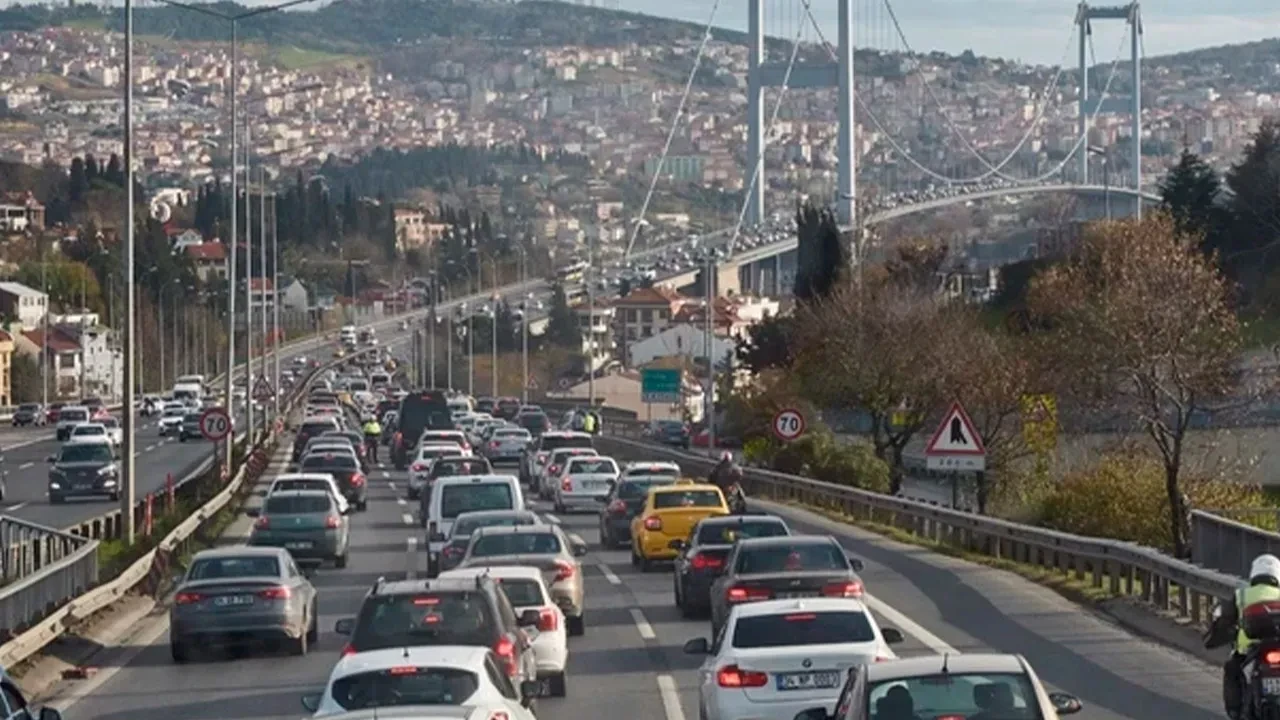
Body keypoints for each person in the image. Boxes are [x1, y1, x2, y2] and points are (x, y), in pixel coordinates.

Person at [1206, 553, 1280, 720]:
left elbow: (1226, 621)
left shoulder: (1242, 595)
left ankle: (1236, 712)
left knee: (1232, 670)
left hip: (1248, 652)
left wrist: (1212, 638)